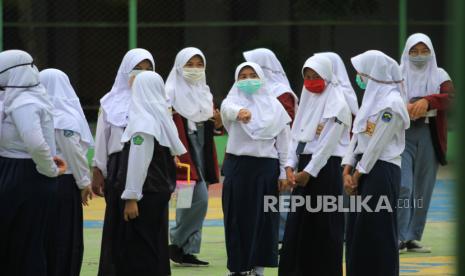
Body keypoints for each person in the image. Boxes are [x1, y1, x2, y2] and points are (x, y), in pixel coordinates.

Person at [278, 55, 351, 276]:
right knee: (299, 225)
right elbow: (296, 135)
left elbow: (327, 145)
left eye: (316, 76)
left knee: (324, 226)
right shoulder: (308, 100)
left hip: (325, 169)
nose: (311, 82)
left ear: (327, 76)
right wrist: (290, 165)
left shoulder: (338, 104)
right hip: (303, 166)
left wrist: (309, 172)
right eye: (307, 77)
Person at [342, 50, 410, 276]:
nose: (359, 77)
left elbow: (377, 143)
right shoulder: (370, 101)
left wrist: (358, 175)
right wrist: (347, 169)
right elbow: (357, 137)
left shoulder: (392, 103)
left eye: (362, 73)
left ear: (374, 73)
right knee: (356, 229)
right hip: (362, 168)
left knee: (378, 228)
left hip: (381, 170)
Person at [0, 50, 67, 275]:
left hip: (24, 175)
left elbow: (36, 144)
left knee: (24, 242)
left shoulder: (23, 102)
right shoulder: (20, 99)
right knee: (21, 241)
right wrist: (48, 165)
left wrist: (47, 169)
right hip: (23, 172)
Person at [221, 61, 291, 276]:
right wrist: (240, 112)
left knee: (263, 219)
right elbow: (227, 108)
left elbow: (284, 142)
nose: (248, 79)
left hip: (265, 169)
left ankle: (257, 268)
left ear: (261, 78)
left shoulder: (274, 106)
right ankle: (238, 268)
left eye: (253, 75)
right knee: (235, 217)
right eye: (243, 76)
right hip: (237, 167)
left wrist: (283, 171)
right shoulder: (231, 102)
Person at [113, 71, 186, 276]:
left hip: (146, 194)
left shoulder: (142, 123)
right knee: (153, 244)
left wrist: (131, 197)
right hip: (158, 191)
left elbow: (138, 163)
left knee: (141, 248)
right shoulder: (160, 118)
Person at [92, 48, 155, 276]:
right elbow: (103, 137)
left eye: (149, 69)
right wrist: (98, 168)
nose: (143, 74)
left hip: (150, 170)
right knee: (119, 225)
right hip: (119, 167)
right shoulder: (110, 102)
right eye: (138, 68)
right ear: (125, 70)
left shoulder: (158, 101)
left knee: (145, 226)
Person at [397, 33, 454, 253]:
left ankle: (412, 237)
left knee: (423, 189)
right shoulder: (398, 75)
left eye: (424, 51)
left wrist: (427, 100)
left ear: (431, 52)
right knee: (404, 186)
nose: (419, 56)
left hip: (429, 135)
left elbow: (450, 97)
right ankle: (399, 236)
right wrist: (407, 107)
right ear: (406, 52)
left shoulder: (440, 75)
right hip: (403, 135)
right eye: (414, 51)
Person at [165, 47, 222, 266]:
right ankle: (177, 242)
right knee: (196, 201)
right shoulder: (169, 93)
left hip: (201, 156)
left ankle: (185, 251)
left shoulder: (204, 92)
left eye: (199, 65)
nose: (195, 69)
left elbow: (213, 125)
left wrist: (218, 124)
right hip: (181, 158)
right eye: (190, 64)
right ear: (179, 66)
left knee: (188, 205)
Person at [40, 68, 94, 276]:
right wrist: (84, 182)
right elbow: (74, 154)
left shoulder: (36, 114)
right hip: (64, 182)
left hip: (41, 181)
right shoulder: (64, 118)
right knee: (64, 236)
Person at [243, 48, 298, 244]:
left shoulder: (281, 93)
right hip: (261, 153)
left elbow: (285, 127)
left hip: (277, 151)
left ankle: (282, 237)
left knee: (281, 196)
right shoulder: (255, 92)